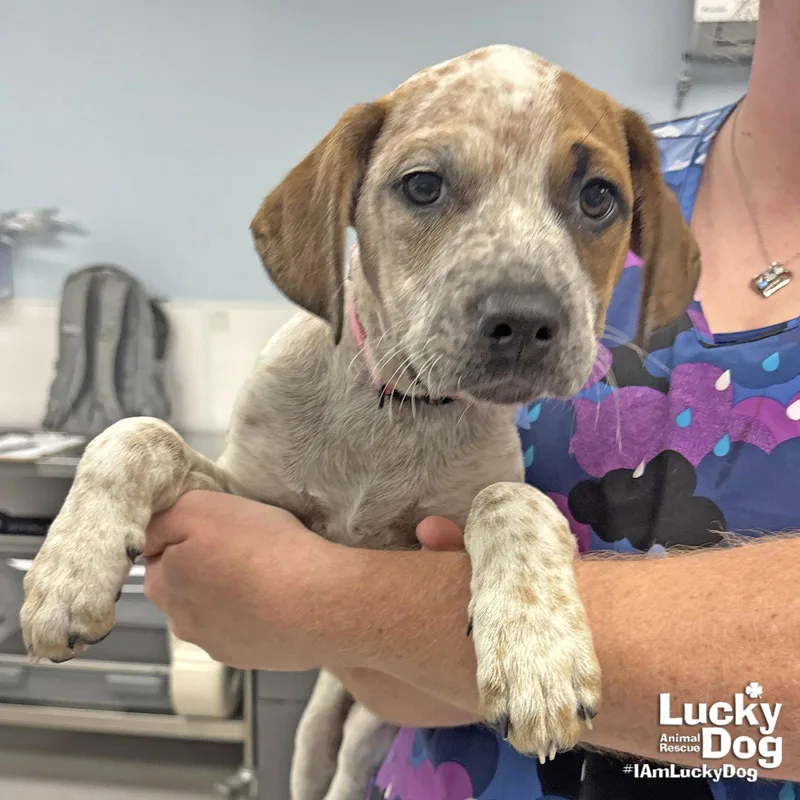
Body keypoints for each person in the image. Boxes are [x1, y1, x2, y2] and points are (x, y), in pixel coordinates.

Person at [143, 1, 800, 797]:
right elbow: (396, 682)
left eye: (592, 203)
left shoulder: (633, 194)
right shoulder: (642, 168)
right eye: (426, 187)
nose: (523, 302)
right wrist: (354, 613)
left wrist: (314, 596)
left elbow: (347, 614)